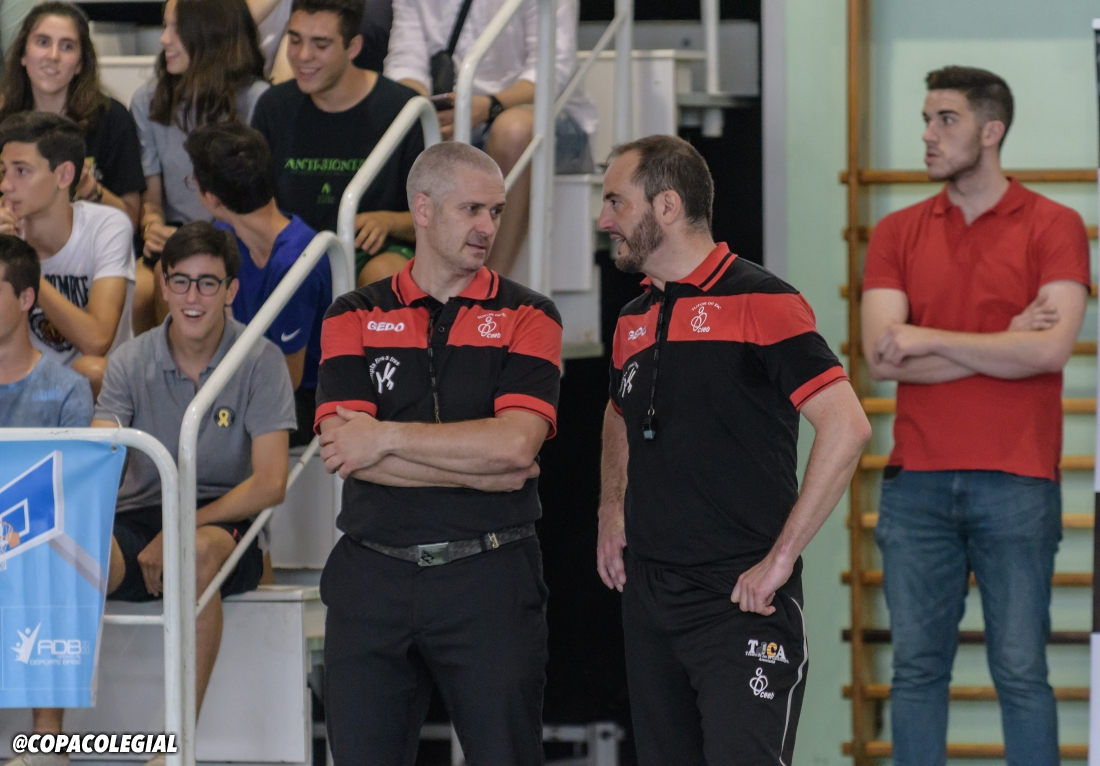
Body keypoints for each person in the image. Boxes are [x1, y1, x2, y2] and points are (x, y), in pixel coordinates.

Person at [595, 135, 870, 765]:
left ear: (667, 206)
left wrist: (780, 560)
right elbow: (617, 413)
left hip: (741, 600)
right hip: (650, 599)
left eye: (616, 201)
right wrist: (612, 507)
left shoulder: (763, 300)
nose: (604, 219)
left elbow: (847, 426)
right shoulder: (634, 316)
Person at [860, 67, 1088, 766]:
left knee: (1020, 673)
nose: (928, 135)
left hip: (1018, 480)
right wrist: (1002, 341)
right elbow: (881, 358)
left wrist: (928, 338)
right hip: (917, 484)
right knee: (916, 674)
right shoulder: (896, 231)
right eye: (926, 119)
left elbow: (1048, 350)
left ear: (992, 132)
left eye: (946, 120)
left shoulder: (1055, 224)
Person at [316, 141, 562, 764]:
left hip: (490, 575)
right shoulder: (353, 314)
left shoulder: (531, 314)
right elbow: (345, 452)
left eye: (496, 211)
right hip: (372, 576)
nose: (488, 227)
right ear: (422, 210)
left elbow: (515, 446)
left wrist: (386, 436)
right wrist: (483, 469)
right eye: (471, 209)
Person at [88, 222, 293, 766]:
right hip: (141, 516)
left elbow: (270, 483)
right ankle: (48, 739)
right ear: (163, 284)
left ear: (231, 290)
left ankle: (174, 746)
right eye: (180, 281)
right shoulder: (130, 361)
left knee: (196, 553)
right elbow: (100, 457)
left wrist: (178, 528)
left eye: (207, 283)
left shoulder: (261, 359)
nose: (192, 297)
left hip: (223, 520)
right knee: (75, 556)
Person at [385, 0, 596, 276]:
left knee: (513, 130)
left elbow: (549, 73)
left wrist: (488, 106)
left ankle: (489, 286)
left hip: (549, 114)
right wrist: (428, 109)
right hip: (459, 113)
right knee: (401, 115)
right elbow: (405, 64)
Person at [251, 0, 423, 289]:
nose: (303, 56)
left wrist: (387, 221)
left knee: (383, 275)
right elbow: (253, 204)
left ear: (353, 47)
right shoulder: (273, 106)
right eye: (295, 40)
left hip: (372, 254)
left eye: (320, 44)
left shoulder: (402, 109)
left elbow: (437, 218)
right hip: (295, 251)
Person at [0, 236, 93, 766]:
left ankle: (47, 744)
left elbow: (72, 489)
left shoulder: (66, 390)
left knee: (50, 556)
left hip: (35, 533)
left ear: (25, 298)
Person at [184, 121, 332, 447]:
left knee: (200, 427)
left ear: (212, 198)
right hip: (248, 376)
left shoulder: (296, 263)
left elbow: (288, 380)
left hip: (301, 398)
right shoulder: (225, 235)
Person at [131, 0, 268, 332]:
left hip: (240, 237)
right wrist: (152, 226)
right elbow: (152, 202)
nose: (163, 39)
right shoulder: (147, 99)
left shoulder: (259, 100)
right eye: (165, 26)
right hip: (177, 235)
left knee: (178, 275)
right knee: (147, 285)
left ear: (211, 33)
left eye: (176, 29)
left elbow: (259, 204)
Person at [0, 111, 134, 398]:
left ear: (64, 175)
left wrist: (21, 265)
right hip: (21, 382)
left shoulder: (106, 226)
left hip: (95, 390)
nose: (5, 185)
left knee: (91, 369)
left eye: (21, 171)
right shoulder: (4, 232)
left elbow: (97, 340)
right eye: (3, 171)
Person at [0, 2, 146, 231]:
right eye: (42, 42)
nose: (53, 56)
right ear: (23, 54)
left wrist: (87, 186)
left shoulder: (112, 118)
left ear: (80, 63)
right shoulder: (3, 118)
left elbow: (130, 221)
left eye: (67, 46)